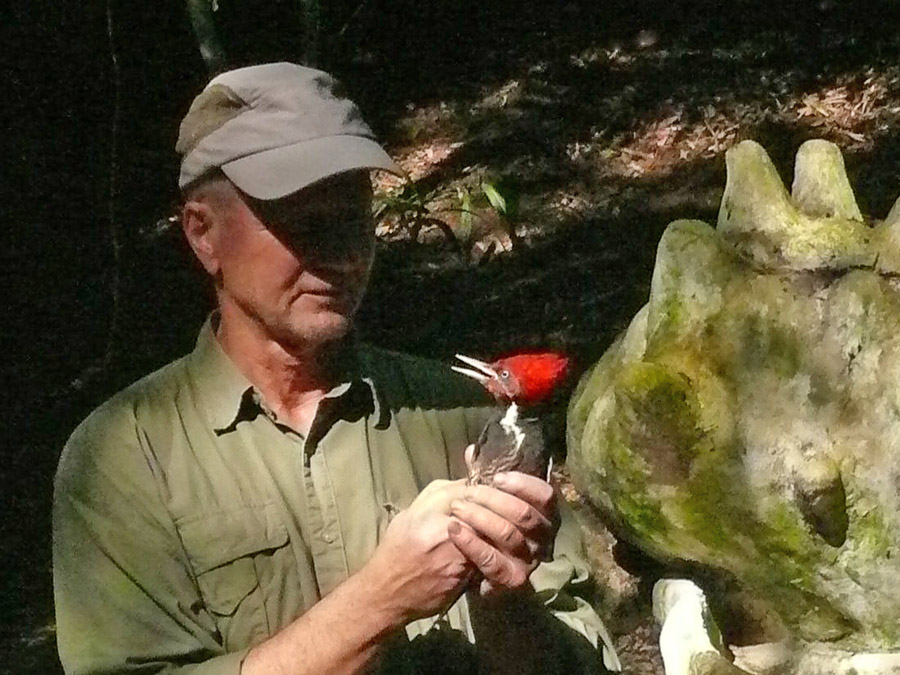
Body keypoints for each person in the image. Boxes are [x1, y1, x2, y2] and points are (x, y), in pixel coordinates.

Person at [52, 62, 619, 674]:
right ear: (202, 234)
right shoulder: (127, 458)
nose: (342, 255)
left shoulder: (464, 417)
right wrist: (380, 602)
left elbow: (579, 653)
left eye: (354, 219)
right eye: (301, 223)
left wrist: (503, 600)